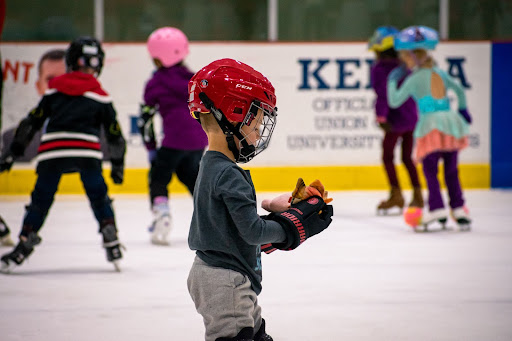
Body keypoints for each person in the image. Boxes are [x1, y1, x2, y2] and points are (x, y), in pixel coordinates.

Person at [186, 58, 334, 341]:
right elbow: (252, 232)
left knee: (254, 335)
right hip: (225, 280)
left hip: (220, 273)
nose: (258, 134)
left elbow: (227, 229)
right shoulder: (228, 174)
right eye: (256, 123)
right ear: (234, 113)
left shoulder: (211, 165)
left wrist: (273, 209)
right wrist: (293, 224)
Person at [0, 37, 127, 272]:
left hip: (53, 152)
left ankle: (25, 241)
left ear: (70, 62)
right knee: (99, 197)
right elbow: (115, 134)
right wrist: (118, 166)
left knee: (40, 201)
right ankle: (110, 235)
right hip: (87, 152)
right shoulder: (100, 95)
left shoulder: (54, 90)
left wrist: (13, 153)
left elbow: (31, 123)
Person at [387, 26, 472, 230]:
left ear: (413, 58)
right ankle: (458, 208)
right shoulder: (440, 72)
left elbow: (395, 101)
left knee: (430, 171)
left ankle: (436, 208)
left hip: (431, 125)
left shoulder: (414, 78)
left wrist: (392, 81)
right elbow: (459, 90)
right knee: (451, 170)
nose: (403, 61)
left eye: (405, 57)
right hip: (450, 123)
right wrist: (462, 110)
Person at [137, 27, 208, 245]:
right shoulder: (194, 80)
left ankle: (162, 215)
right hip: (198, 141)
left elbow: (145, 120)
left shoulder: (155, 83)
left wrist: (150, 149)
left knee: (158, 178)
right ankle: (209, 216)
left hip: (173, 142)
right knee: (190, 175)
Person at [369, 26, 423, 215]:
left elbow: (383, 95)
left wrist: (381, 116)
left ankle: (397, 194)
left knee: (387, 156)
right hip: (411, 117)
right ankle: (418, 195)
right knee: (407, 158)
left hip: (394, 121)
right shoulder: (403, 66)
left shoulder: (379, 69)